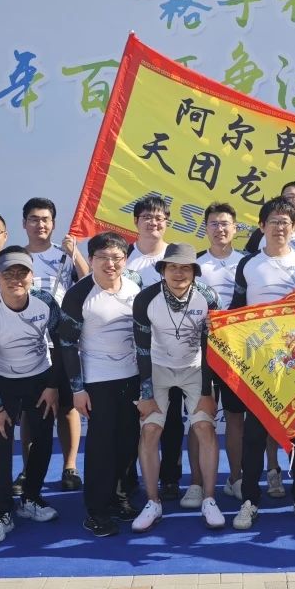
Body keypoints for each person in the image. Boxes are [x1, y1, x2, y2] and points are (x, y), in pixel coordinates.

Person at [230, 197, 295, 529]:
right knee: (255, 433)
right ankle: (250, 501)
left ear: (293, 227)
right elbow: (236, 309)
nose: (280, 227)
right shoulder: (248, 265)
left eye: (286, 222)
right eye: (274, 221)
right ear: (262, 226)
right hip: (259, 362)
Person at [130, 243, 226, 531]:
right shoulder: (145, 299)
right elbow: (142, 350)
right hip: (157, 368)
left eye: (185, 268)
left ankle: (210, 499)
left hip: (195, 369)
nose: (179, 273)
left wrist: (207, 392)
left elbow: (212, 348)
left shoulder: (209, 298)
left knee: (204, 428)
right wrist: (147, 394)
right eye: (172, 267)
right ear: (163, 270)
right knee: (150, 430)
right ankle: (152, 501)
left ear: (194, 272)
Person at [0, 246, 62, 545]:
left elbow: (62, 346)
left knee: (43, 439)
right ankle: (1, 511)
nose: (15, 279)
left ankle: (31, 498)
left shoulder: (46, 301)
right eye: (8, 273)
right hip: (2, 383)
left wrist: (52, 385)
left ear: (32, 275)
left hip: (40, 380)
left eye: (22, 273)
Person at [59, 232, 143, 537]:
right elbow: (67, 344)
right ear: (91, 260)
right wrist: (78, 389)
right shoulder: (79, 294)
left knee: (128, 442)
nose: (111, 264)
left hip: (131, 377)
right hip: (97, 381)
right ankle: (96, 511)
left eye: (117, 257)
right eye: (103, 257)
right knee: (101, 448)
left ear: (125, 260)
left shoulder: (134, 286)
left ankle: (121, 498)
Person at [123, 195, 189, 504]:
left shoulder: (177, 256)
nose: (154, 222)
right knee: (130, 420)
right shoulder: (122, 257)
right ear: (135, 222)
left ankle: (170, 478)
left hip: (171, 353)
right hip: (129, 353)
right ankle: (127, 478)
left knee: (171, 419)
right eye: (147, 217)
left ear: (167, 222)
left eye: (160, 217)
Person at [22, 197, 88, 493]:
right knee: (30, 410)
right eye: (34, 219)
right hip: (26, 343)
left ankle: (70, 466)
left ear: (53, 223)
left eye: (45, 219)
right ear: (24, 223)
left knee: (66, 407)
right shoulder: (17, 256)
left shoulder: (64, 256)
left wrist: (75, 254)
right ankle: (27, 470)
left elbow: (88, 281)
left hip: (60, 341)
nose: (40, 224)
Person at [196, 202, 248, 499]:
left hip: (238, 352)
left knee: (235, 417)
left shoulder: (248, 263)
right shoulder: (195, 265)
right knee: (200, 417)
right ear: (206, 229)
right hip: (200, 350)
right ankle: (198, 484)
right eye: (214, 224)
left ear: (235, 228)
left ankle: (236, 478)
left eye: (225, 223)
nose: (220, 229)